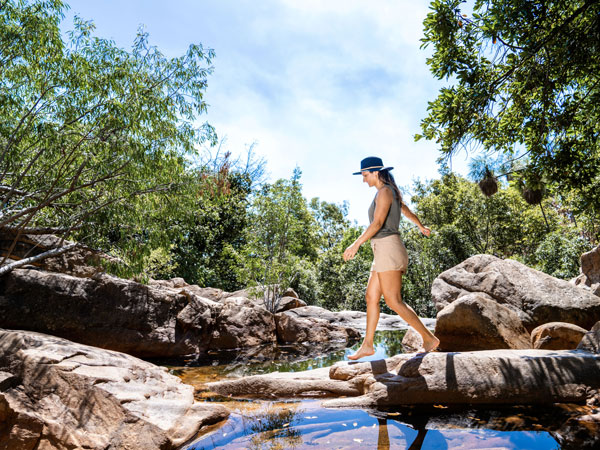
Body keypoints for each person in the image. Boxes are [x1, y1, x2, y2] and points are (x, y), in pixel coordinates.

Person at [343, 156, 439, 360]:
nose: (363, 180)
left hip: (388, 248)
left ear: (376, 172)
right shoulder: (389, 192)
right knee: (371, 297)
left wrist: (356, 244)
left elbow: (377, 223)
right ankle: (367, 345)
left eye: (365, 175)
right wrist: (420, 226)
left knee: (393, 301)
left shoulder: (385, 191)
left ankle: (428, 338)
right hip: (382, 250)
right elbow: (405, 210)